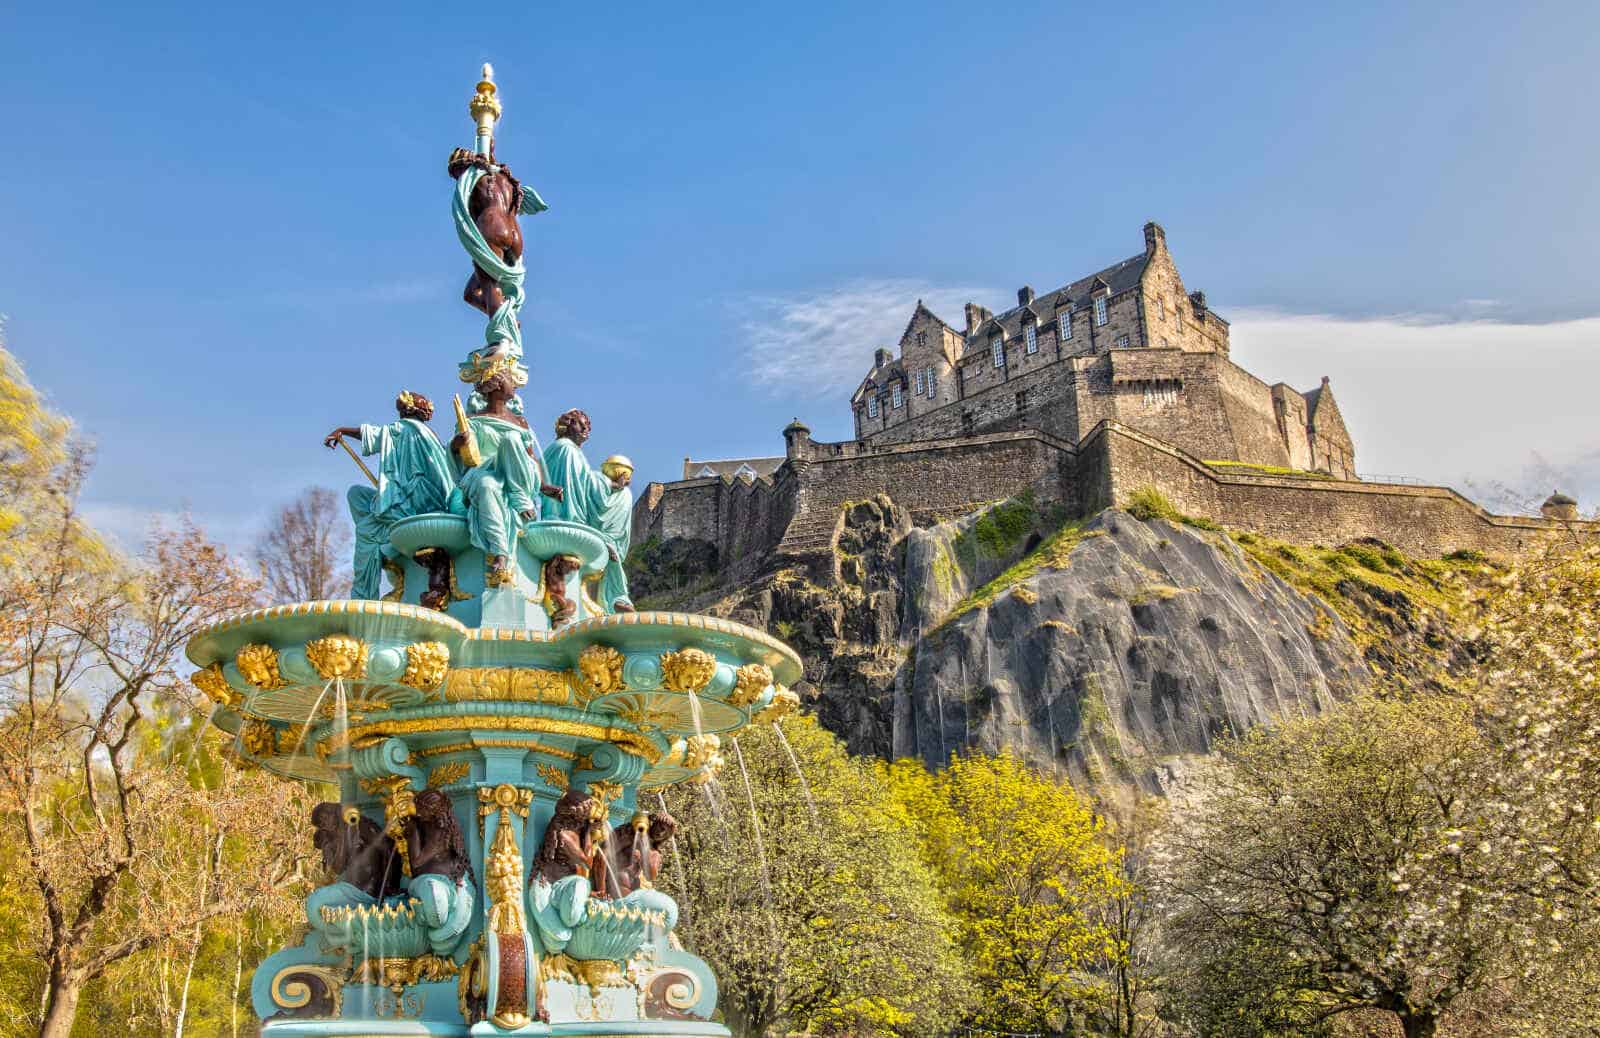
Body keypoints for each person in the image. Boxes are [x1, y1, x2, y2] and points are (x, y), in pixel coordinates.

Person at [325, 391, 455, 601]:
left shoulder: (402, 429)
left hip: (408, 506)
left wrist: (342, 431)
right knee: (357, 495)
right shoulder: (430, 436)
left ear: (405, 411)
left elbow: (371, 435)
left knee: (366, 532)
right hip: (423, 502)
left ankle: (363, 597)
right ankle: (385, 546)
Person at [451, 359, 562, 588]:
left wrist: (544, 487)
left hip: (520, 474)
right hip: (485, 471)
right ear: (498, 386)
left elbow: (531, 458)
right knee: (487, 486)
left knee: (511, 440)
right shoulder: (474, 421)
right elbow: (457, 455)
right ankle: (500, 553)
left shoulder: (519, 422)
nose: (515, 386)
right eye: (511, 382)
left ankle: (520, 498)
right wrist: (457, 443)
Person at [541, 410, 634, 612]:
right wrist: (607, 483)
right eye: (580, 424)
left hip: (578, 513)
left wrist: (610, 484)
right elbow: (576, 483)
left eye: (587, 427)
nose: (585, 430)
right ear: (566, 425)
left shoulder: (574, 453)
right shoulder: (565, 449)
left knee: (625, 496)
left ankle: (615, 593)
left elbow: (586, 481)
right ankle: (615, 594)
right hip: (563, 515)